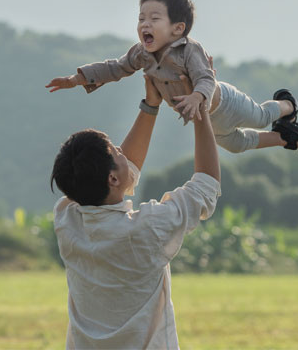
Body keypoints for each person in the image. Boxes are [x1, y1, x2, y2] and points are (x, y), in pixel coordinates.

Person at [50, 74, 220, 349]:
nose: (121, 150)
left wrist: (150, 106)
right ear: (112, 179)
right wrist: (200, 103)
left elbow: (122, 172)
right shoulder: (145, 229)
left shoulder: (67, 219)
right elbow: (206, 187)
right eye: (115, 150)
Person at [46, 0, 298, 154]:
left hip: (224, 103)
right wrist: (78, 78)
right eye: (141, 18)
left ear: (178, 28)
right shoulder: (142, 53)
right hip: (205, 121)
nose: (145, 24)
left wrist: (195, 98)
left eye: (154, 18)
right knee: (236, 146)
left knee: (261, 117)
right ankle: (285, 138)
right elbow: (116, 68)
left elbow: (205, 78)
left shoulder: (189, 50)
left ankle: (287, 105)